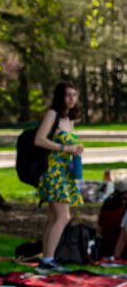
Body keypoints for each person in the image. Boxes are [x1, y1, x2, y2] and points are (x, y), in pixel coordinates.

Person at [34, 81, 84, 272]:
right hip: (53, 172)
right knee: (63, 217)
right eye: (68, 95)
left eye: (74, 95)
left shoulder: (70, 119)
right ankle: (47, 260)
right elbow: (39, 139)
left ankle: (46, 260)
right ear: (60, 97)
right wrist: (65, 148)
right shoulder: (52, 114)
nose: (72, 99)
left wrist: (75, 149)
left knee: (53, 218)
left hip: (65, 171)